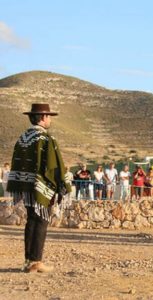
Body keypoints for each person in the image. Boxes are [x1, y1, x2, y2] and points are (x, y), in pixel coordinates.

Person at [7, 103, 71, 272]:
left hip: (26, 188)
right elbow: (53, 166)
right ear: (43, 117)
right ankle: (36, 261)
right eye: (48, 116)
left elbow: (18, 163)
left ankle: (28, 261)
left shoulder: (23, 138)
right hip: (41, 188)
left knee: (31, 221)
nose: (50, 119)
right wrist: (62, 184)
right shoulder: (45, 139)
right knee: (41, 221)